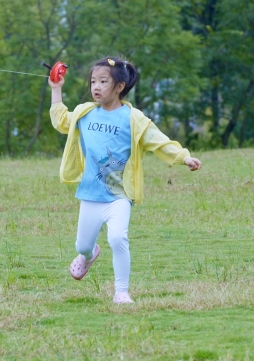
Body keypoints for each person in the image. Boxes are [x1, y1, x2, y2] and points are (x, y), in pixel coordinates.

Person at [48, 56, 202, 304]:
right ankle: (88, 255)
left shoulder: (134, 118)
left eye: (103, 81)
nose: (96, 87)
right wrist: (56, 89)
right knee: (82, 246)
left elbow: (158, 140)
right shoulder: (85, 113)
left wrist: (184, 157)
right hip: (90, 194)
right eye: (93, 81)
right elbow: (60, 120)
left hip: (119, 195)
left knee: (118, 237)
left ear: (119, 87)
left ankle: (121, 292)